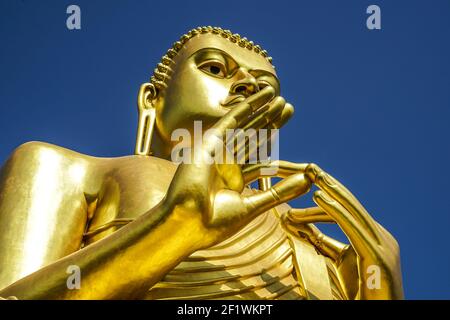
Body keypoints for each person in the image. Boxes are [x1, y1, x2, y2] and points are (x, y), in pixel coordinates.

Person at [0, 27, 403, 300]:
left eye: (264, 88)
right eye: (214, 68)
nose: (247, 85)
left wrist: (381, 285)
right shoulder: (68, 170)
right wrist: (170, 231)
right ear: (152, 100)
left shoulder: (309, 236)